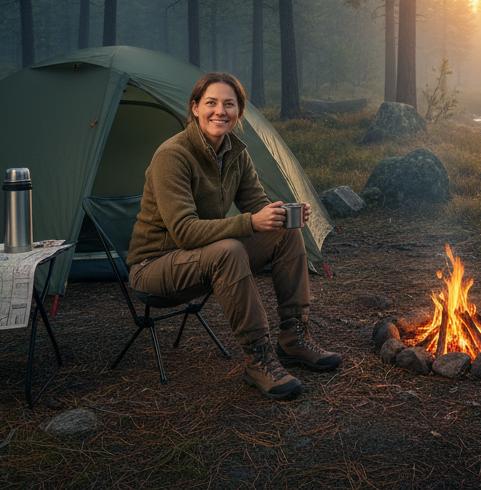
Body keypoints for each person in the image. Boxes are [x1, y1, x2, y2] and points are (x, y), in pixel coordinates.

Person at [126, 71, 340, 400]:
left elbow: (257, 206)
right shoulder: (173, 156)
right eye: (211, 103)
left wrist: (285, 215)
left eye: (229, 104)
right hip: (154, 268)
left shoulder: (236, 153)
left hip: (200, 259)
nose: (220, 111)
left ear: (239, 111)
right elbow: (184, 231)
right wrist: (249, 223)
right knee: (228, 250)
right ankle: (258, 358)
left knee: (286, 232)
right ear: (195, 108)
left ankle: (294, 336)